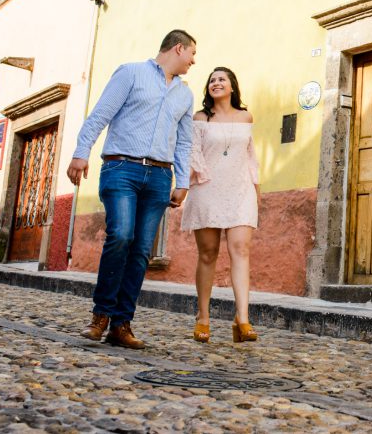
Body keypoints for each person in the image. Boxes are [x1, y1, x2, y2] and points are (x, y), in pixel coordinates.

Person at [67, 29, 197, 349]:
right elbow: (101, 114)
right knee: (121, 235)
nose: (194, 61)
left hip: (159, 177)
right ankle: (100, 316)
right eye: (192, 53)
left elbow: (184, 142)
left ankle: (121, 324)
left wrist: (182, 181)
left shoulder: (185, 94)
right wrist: (82, 152)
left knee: (141, 250)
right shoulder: (131, 73)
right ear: (178, 49)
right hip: (120, 168)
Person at [181, 66, 260, 343]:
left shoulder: (245, 116)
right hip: (208, 187)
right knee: (208, 253)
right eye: (212, 80)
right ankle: (203, 317)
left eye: (221, 79)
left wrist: (256, 188)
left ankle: (243, 319)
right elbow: (192, 152)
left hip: (241, 190)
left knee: (241, 250)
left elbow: (250, 155)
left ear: (232, 86)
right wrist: (195, 182)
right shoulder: (200, 117)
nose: (216, 83)